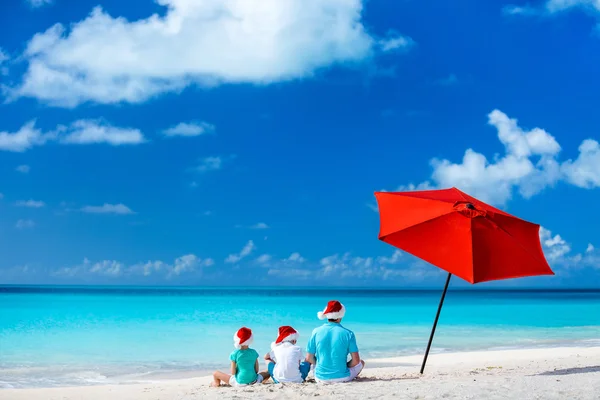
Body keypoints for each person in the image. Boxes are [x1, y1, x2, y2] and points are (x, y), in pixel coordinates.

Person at [305, 300, 365, 384]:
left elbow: (309, 358)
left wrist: (321, 364)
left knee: (315, 363)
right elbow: (356, 361)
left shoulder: (316, 331)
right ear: (341, 314)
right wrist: (343, 366)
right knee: (361, 362)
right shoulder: (348, 333)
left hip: (320, 378)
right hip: (343, 377)